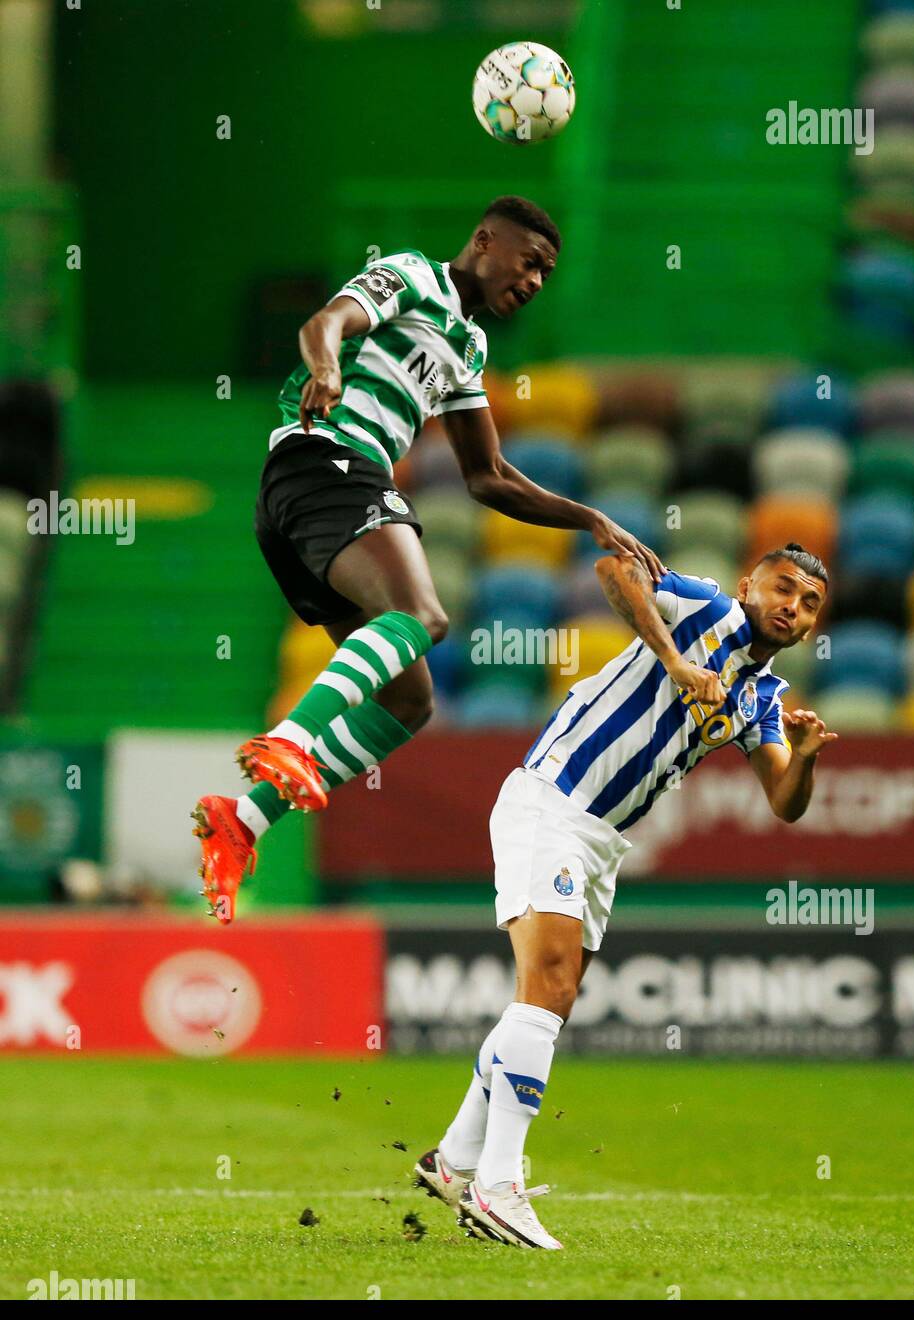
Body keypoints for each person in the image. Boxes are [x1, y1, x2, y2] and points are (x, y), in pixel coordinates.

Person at [192, 195, 662, 920]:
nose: (535, 281)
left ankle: (244, 821)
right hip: (326, 461)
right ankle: (287, 741)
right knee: (424, 614)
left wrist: (590, 518)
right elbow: (323, 324)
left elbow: (488, 476)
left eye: (546, 273)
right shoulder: (413, 275)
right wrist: (327, 369)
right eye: (529, 262)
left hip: (316, 500)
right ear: (485, 240)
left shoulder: (468, 348)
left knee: (410, 700)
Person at [415, 543, 838, 1249]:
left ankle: (454, 1160)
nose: (792, 606)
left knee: (549, 999)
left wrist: (809, 760)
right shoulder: (704, 607)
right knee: (547, 987)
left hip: (601, 840)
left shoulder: (762, 698)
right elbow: (613, 568)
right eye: (783, 588)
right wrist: (675, 661)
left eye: (809, 603)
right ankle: (497, 1187)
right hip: (554, 801)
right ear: (749, 586)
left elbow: (783, 800)